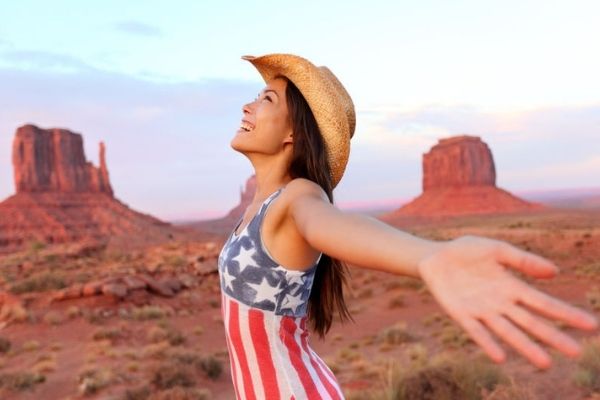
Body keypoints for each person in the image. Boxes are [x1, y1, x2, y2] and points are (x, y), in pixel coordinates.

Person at [217, 53, 598, 400]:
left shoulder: (298, 197)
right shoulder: (260, 206)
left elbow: (332, 224)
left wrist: (429, 256)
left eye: (266, 100)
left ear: (294, 133)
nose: (247, 106)